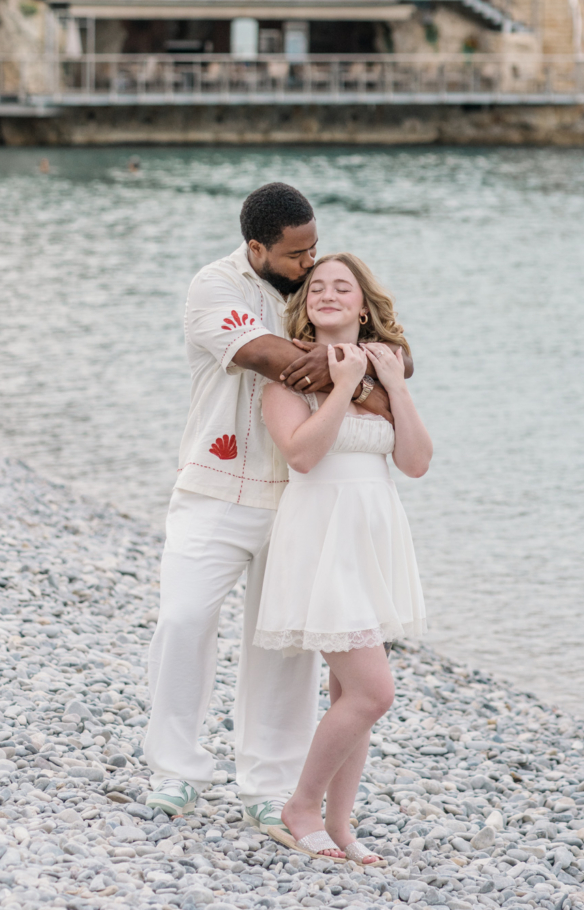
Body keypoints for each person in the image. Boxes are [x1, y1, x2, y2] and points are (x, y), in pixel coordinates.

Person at [143, 183, 408, 831]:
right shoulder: (215, 286)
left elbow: (397, 348)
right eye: (295, 254)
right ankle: (175, 772)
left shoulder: (315, 285)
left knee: (285, 648)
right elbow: (268, 358)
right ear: (256, 248)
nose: (309, 264)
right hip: (213, 486)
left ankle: (267, 782)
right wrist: (352, 365)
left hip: (298, 500)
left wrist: (369, 362)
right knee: (182, 618)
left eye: (314, 248)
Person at [254, 253, 432, 863]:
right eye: (318, 286)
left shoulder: (386, 377)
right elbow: (302, 456)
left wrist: (395, 387)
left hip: (373, 542)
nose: (329, 293)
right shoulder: (286, 378)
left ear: (363, 305)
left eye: (343, 287)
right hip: (320, 538)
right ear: (305, 304)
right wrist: (341, 385)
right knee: (373, 692)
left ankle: (339, 824)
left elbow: (414, 462)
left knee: (348, 696)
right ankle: (300, 807)